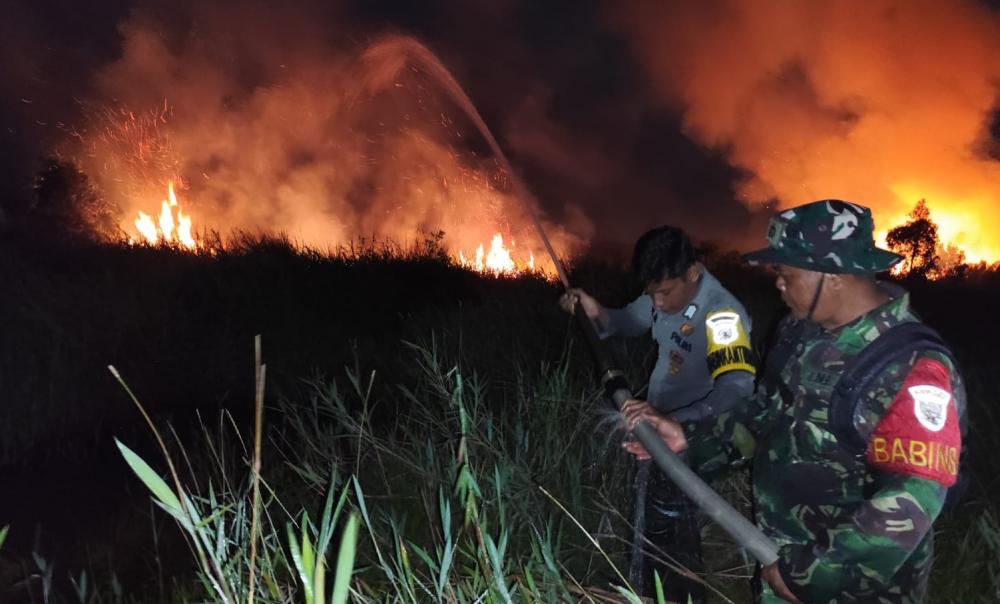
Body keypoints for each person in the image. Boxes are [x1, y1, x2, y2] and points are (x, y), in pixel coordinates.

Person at [621, 199, 965, 603]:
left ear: (831, 276)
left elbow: (912, 501)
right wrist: (689, 436)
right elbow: (765, 414)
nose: (778, 285)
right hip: (780, 561)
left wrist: (812, 573)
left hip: (851, 587)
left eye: (785, 273)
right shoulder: (798, 333)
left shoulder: (910, 366)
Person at [560, 225, 756, 601]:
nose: (659, 304)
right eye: (653, 294)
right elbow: (625, 323)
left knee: (672, 513)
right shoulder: (658, 294)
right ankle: (650, 588)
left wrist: (678, 423)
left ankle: (680, 595)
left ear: (693, 273)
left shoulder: (721, 314)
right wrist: (594, 311)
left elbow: (736, 388)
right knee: (655, 508)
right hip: (661, 420)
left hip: (707, 428)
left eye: (665, 293)